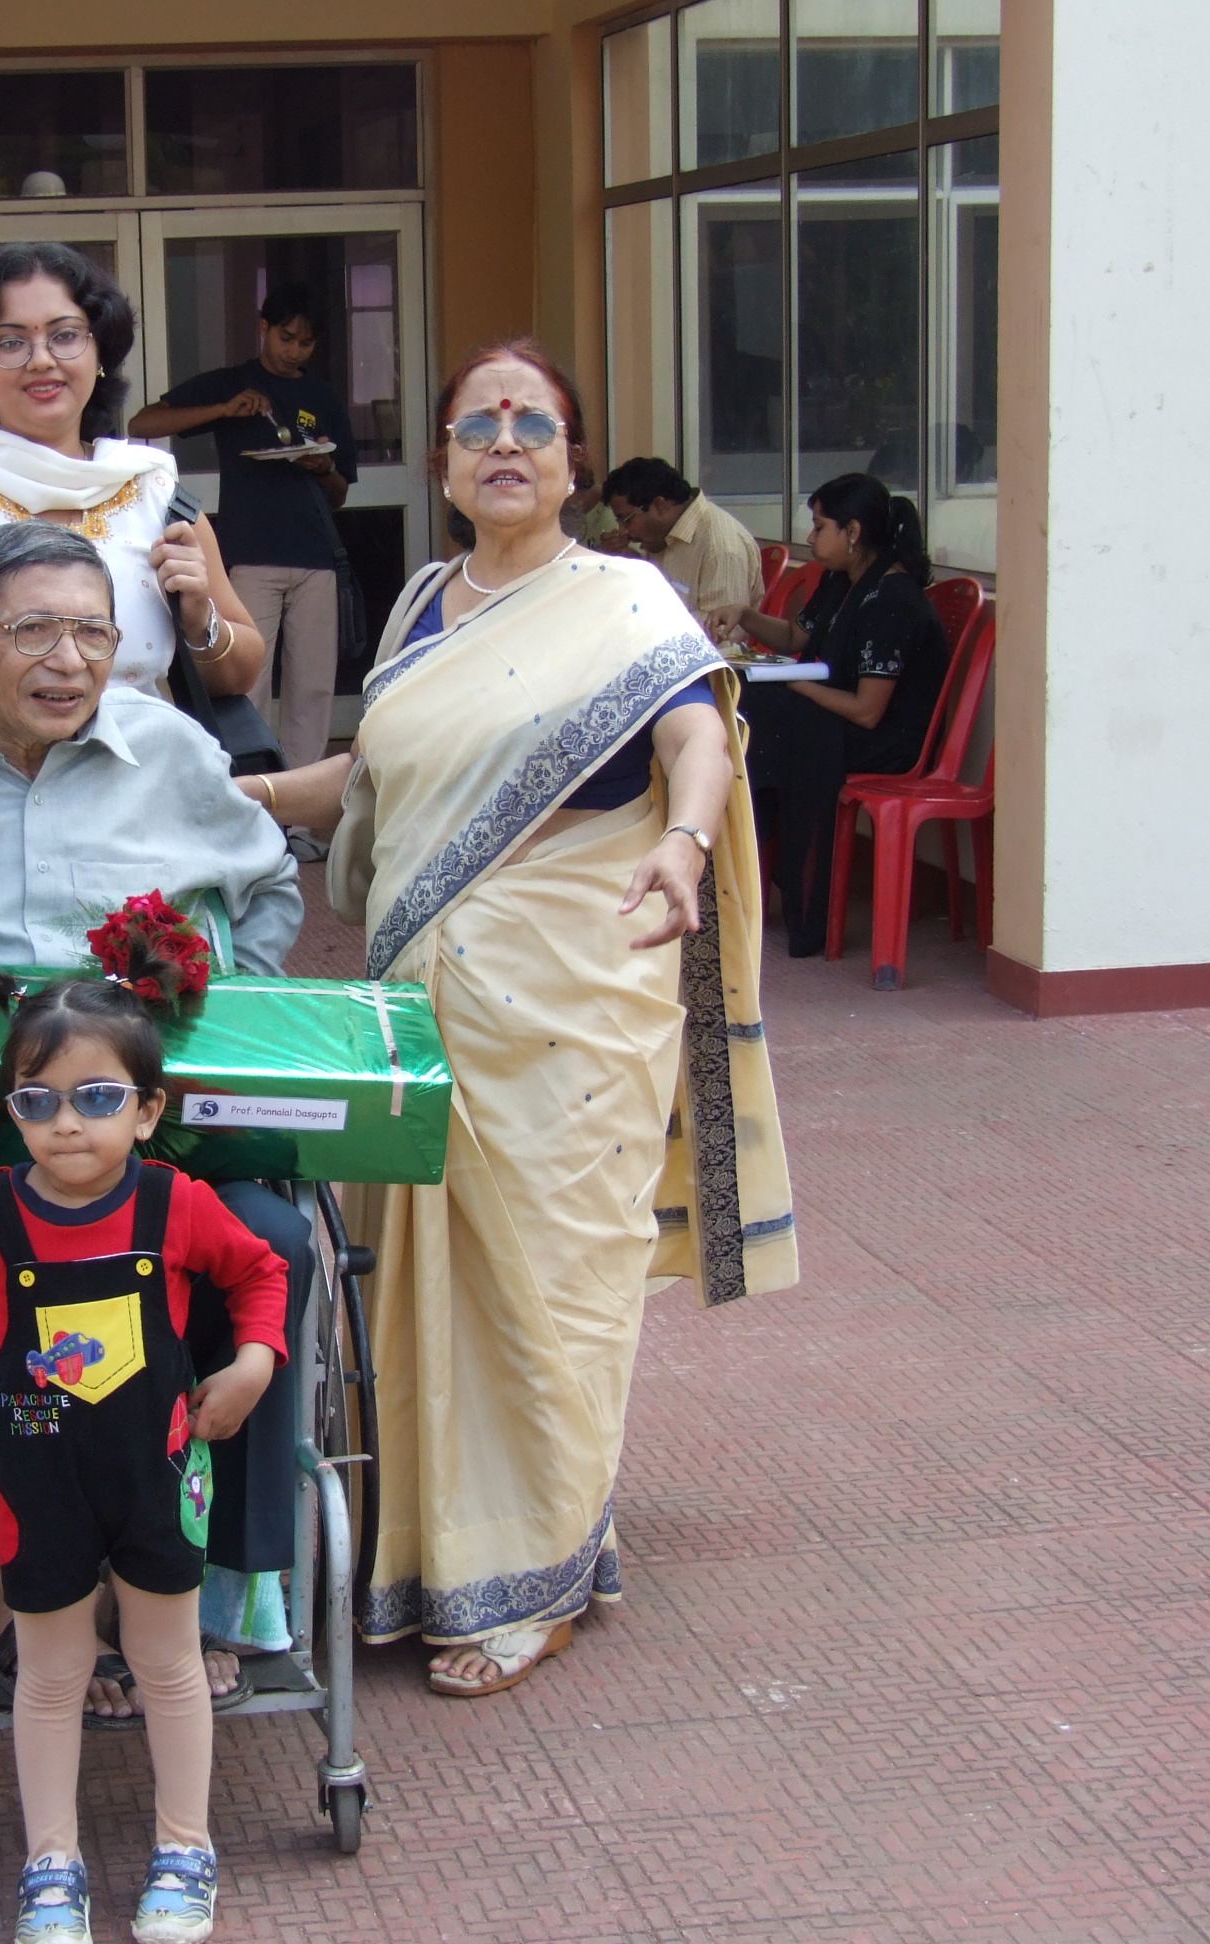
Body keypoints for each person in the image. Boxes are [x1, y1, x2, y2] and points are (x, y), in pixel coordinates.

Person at [234, 341, 798, 1695]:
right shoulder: (422, 604)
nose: (504, 441)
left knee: (554, 1286)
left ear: (571, 461)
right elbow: (369, 776)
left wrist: (687, 841)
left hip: (572, 1002)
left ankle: (535, 1578)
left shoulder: (625, 598)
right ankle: (428, 1549)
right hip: (423, 1007)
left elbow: (694, 736)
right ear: (440, 460)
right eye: (478, 423)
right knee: (424, 1289)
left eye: (532, 424)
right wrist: (225, 803)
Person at [0, 517, 309, 1702]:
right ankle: (57, 1599)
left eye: (94, 632)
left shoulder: (172, 754)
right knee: (39, 1279)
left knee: (275, 1242)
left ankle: (219, 1591)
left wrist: (225, 1009)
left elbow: (271, 882)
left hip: (155, 1136)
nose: (70, 660)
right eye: (34, 630)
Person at [0, 965, 286, 1944]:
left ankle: (185, 1846)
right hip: (37, 1478)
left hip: (151, 1475)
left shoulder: (175, 1204)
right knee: (50, 1673)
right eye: (37, 1101)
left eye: (95, 1098)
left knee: (166, 1662)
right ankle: (52, 1863)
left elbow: (259, 1271)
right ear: (14, 1109)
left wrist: (254, 1361)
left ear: (146, 1109)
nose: (67, 1124)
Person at [0, 241, 267, 772]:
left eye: (65, 335)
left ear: (99, 353)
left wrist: (199, 618)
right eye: (10, 341)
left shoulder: (153, 490)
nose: (41, 359)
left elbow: (239, 674)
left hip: (135, 808)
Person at [706, 472, 949, 959]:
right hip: (833, 717)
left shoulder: (893, 598)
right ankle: (744, 876)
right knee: (745, 706)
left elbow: (867, 711)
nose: (811, 537)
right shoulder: (842, 580)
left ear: (853, 532)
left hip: (886, 739)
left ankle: (792, 897)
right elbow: (796, 637)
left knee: (768, 723)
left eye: (819, 527)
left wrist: (792, 682)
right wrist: (745, 615)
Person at [127, 281, 359, 774]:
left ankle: (302, 796)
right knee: (246, 679)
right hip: (250, 555)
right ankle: (247, 784)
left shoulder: (323, 396)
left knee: (314, 686)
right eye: (286, 338)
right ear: (264, 328)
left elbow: (340, 491)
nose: (294, 351)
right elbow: (142, 423)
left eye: (306, 343)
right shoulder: (235, 383)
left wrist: (322, 467)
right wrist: (224, 409)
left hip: (317, 555)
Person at [594, 456, 764, 618]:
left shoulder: (721, 548)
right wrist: (623, 557)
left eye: (627, 520)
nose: (623, 531)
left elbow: (721, 630)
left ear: (660, 505)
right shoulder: (663, 533)